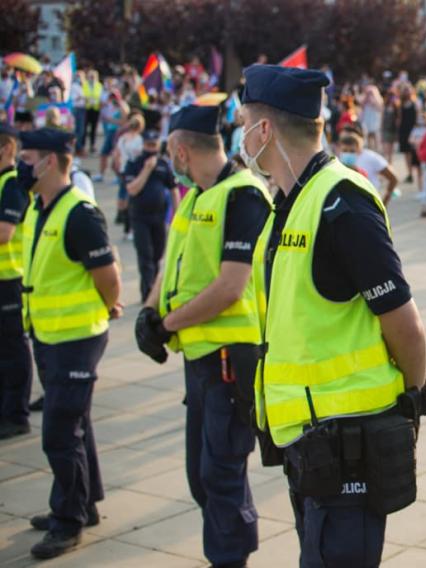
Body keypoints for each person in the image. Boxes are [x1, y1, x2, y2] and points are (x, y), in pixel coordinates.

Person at [239, 64, 426, 568]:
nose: (240, 137)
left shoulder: (341, 202)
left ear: (263, 131)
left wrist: (410, 399)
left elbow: (404, 323)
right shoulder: (286, 201)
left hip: (349, 440)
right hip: (307, 440)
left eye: (243, 125)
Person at [134, 105, 270, 568]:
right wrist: (150, 313)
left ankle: (230, 557)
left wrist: (167, 325)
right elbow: (170, 262)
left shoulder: (244, 195)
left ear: (180, 149)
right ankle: (231, 545)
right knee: (201, 474)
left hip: (231, 357)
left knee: (220, 471)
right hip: (200, 355)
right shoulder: (194, 196)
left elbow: (231, 286)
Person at [18, 128, 121, 559]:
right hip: (49, 334)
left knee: (61, 432)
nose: (24, 164)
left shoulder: (79, 213)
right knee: (76, 424)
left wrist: (109, 306)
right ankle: (85, 501)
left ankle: (68, 519)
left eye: (30, 157)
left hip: (77, 338)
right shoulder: (40, 207)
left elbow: (109, 278)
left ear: (53, 160)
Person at [0, 124, 33, 440]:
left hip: (9, 280)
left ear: (7, 148)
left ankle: (16, 414)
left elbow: (4, 233)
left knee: (13, 348)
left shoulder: (12, 185)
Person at [124, 130, 177, 302]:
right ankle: (147, 293)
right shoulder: (135, 164)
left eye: (154, 146)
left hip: (159, 217)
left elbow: (173, 189)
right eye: (148, 145)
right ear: (143, 145)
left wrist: (176, 214)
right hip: (140, 217)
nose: (151, 149)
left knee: (157, 256)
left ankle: (154, 291)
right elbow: (132, 189)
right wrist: (147, 170)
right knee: (145, 255)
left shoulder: (164, 164)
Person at [338, 130, 398, 205]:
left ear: (359, 148)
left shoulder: (370, 158)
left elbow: (393, 178)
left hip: (370, 201)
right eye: (345, 151)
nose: (348, 153)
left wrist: (385, 201)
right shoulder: (338, 161)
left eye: (352, 151)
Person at [398, 86, 420, 184]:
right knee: (406, 153)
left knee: (413, 153)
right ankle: (410, 173)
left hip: (413, 131)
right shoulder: (400, 105)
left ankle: (416, 173)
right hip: (403, 131)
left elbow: (417, 118)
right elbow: (399, 119)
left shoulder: (415, 104)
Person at [81, 70, 102, 155]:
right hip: (87, 108)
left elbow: (101, 96)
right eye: (91, 76)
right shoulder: (84, 85)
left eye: (93, 77)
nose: (92, 78)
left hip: (95, 109)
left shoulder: (99, 86)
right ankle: (82, 146)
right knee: (84, 128)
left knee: (93, 129)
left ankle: (92, 145)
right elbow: (82, 95)